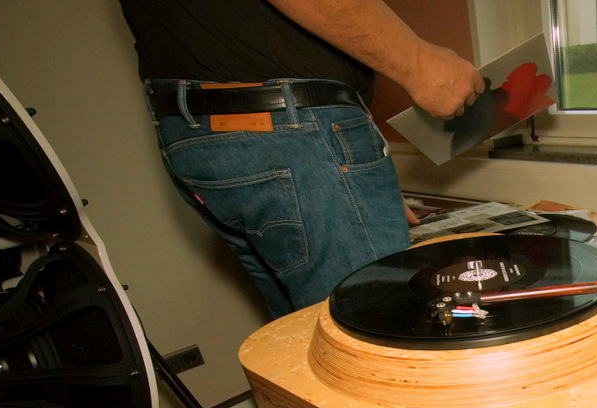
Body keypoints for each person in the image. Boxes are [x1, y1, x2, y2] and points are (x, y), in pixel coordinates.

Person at [117, 0, 484, 318]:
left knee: (309, 335)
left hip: (193, 131)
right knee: (376, 335)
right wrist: (416, 61)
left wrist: (354, 180)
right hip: (288, 124)